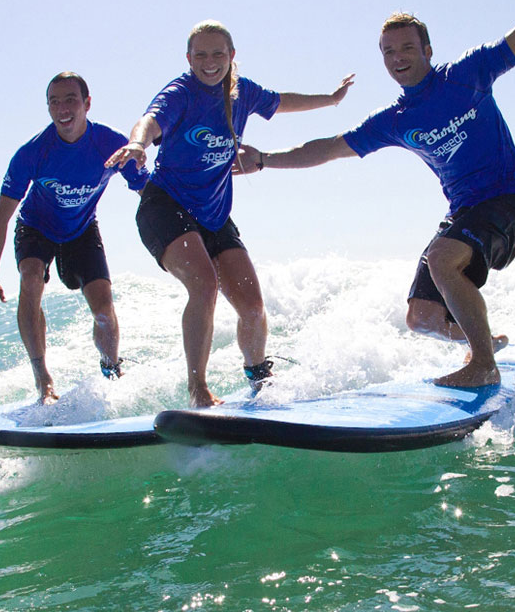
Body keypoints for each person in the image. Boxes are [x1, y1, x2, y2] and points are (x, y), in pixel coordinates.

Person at [236, 0, 515, 388]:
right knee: (421, 317)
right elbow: (328, 148)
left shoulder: (467, 74)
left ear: (427, 49)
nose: (398, 57)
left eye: (407, 47)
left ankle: (482, 365)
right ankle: (485, 341)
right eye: (388, 51)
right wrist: (264, 160)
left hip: (510, 199)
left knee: (444, 261)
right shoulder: (394, 120)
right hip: (465, 212)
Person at [106, 20, 354, 407]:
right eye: (200, 55)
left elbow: (283, 101)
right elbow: (150, 119)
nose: (210, 62)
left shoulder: (242, 92)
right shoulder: (180, 92)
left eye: (218, 53)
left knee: (252, 307)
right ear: (189, 59)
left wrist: (331, 99)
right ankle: (197, 390)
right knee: (203, 285)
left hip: (214, 214)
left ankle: (259, 377)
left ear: (231, 56)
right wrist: (138, 144)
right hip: (165, 206)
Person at [0, 72, 149, 403]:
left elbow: (149, 191)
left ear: (87, 103)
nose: (62, 108)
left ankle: (111, 368)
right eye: (54, 101)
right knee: (30, 278)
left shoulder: (109, 143)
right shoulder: (32, 153)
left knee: (103, 308)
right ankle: (42, 379)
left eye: (70, 99)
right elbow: (1, 217)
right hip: (36, 227)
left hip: (82, 229)